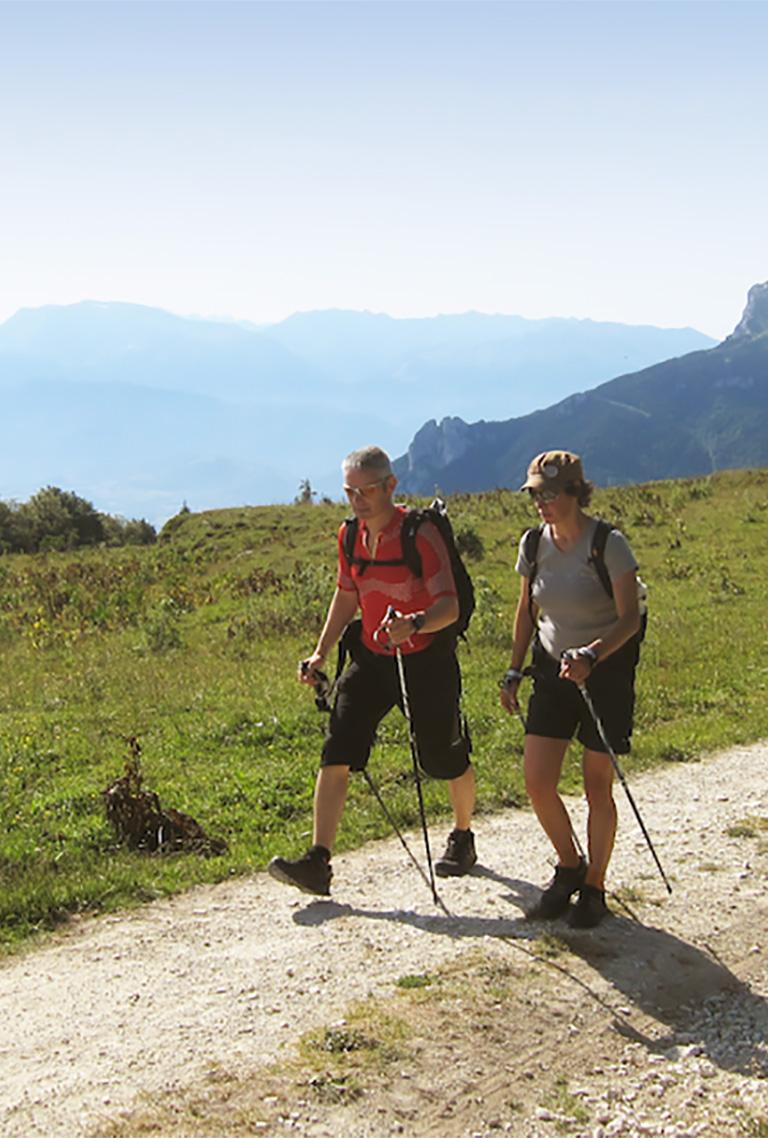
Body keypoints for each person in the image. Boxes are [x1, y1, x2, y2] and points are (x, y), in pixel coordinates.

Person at [268, 445, 477, 896]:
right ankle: (317, 861)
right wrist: (321, 653)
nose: (359, 500)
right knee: (337, 747)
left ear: (390, 486)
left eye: (367, 490)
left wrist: (415, 623)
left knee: (442, 756)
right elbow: (347, 595)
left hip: (424, 661)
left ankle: (463, 836)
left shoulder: (420, 535)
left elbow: (449, 606)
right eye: (350, 492)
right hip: (369, 655)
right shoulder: (349, 537)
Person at [499, 450, 641, 928]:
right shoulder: (533, 544)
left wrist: (593, 656)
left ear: (576, 492)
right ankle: (569, 865)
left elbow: (630, 618)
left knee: (595, 786)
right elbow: (526, 612)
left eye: (551, 493)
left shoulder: (608, 544)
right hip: (553, 667)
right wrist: (515, 669)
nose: (541, 501)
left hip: (607, 670)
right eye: (535, 493)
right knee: (538, 782)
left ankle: (595, 887)